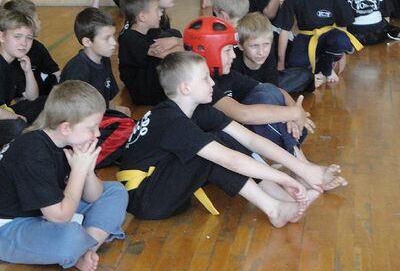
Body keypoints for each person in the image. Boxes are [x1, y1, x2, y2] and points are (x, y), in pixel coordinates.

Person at [118, 51, 347, 225]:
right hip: (146, 199)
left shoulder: (199, 110)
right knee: (213, 152)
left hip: (161, 180)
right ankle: (274, 208)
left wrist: (301, 168)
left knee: (223, 138)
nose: (213, 83)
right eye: (205, 78)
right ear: (186, 88)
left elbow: (251, 140)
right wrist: (284, 177)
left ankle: (284, 200)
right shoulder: (171, 121)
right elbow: (231, 161)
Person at [0, 80, 128, 270]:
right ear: (66, 127)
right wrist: (78, 171)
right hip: (9, 224)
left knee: (115, 191)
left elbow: (94, 196)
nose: (97, 134)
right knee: (69, 238)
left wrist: (87, 171)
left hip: (44, 212)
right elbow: (60, 217)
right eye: (91, 127)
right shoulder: (32, 151)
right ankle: (78, 248)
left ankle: (86, 250)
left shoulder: (66, 141)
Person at [184, 16, 315, 159]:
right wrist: (293, 113)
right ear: (210, 51)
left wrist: (295, 109)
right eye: (228, 50)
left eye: (266, 45)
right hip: (215, 143)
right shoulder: (203, 84)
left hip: (237, 131)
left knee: (268, 92)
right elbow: (243, 114)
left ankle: (295, 159)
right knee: (264, 104)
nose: (233, 55)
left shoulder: (227, 75)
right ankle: (298, 160)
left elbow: (274, 89)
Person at [276, 0, 363, 87]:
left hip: (329, 37)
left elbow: (343, 24)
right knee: (294, 65)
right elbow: (285, 31)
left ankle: (326, 68)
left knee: (341, 40)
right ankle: (319, 66)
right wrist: (280, 62)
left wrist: (342, 56)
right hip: (306, 38)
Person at [60, 8, 134, 168]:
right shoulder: (78, 69)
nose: (114, 43)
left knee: (135, 125)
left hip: (97, 119)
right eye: (107, 38)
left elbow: (107, 99)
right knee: (127, 128)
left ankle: (116, 151)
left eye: (113, 36)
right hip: (79, 125)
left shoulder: (103, 59)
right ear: (87, 42)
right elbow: (71, 117)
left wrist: (116, 112)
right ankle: (86, 161)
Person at [118, 0, 183, 105]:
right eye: (157, 10)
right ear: (143, 17)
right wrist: (179, 43)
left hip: (151, 82)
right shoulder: (128, 38)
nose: (161, 13)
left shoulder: (152, 31)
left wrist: (176, 40)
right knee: (173, 48)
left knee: (173, 33)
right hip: (143, 92)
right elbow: (168, 54)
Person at [233, 12, 313, 93]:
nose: (261, 52)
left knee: (305, 75)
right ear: (240, 45)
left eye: (266, 44)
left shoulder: (269, 50)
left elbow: (273, 84)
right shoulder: (233, 60)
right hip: (243, 90)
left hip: (268, 84)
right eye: (254, 46)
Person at [0, 9, 46, 146]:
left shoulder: (16, 62)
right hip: (6, 117)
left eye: (29, 38)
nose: (24, 43)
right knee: (17, 126)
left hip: (6, 112)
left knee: (47, 102)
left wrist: (28, 71)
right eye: (17, 36)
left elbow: (32, 98)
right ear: (1, 37)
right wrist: (17, 117)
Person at [3, 0, 60, 95]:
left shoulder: (37, 47)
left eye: (28, 38)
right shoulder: (7, 60)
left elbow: (57, 74)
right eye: (38, 18)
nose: (40, 22)